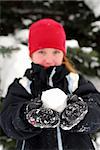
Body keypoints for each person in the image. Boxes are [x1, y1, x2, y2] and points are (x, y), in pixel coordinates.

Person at [0, 18, 100, 150]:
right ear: (31, 53)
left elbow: (97, 109)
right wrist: (27, 116)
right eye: (42, 52)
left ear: (63, 53)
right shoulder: (23, 86)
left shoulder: (75, 82)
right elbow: (8, 120)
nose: (49, 59)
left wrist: (82, 114)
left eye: (55, 52)